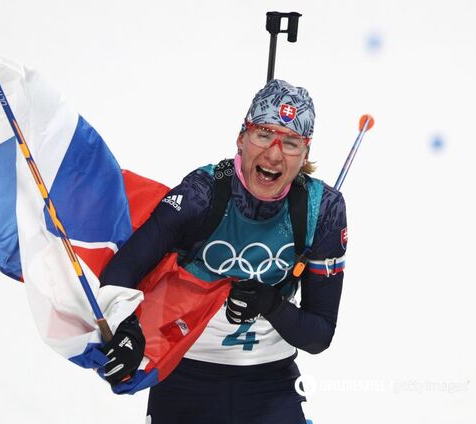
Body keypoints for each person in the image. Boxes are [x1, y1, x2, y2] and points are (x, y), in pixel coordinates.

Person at [99, 79, 347, 424]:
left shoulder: (322, 209)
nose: (274, 154)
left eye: (290, 143)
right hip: (184, 376)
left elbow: (319, 334)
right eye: (263, 134)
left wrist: (270, 304)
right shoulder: (202, 194)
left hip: (271, 384)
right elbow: (122, 269)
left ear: (305, 154)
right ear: (241, 138)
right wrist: (126, 330)